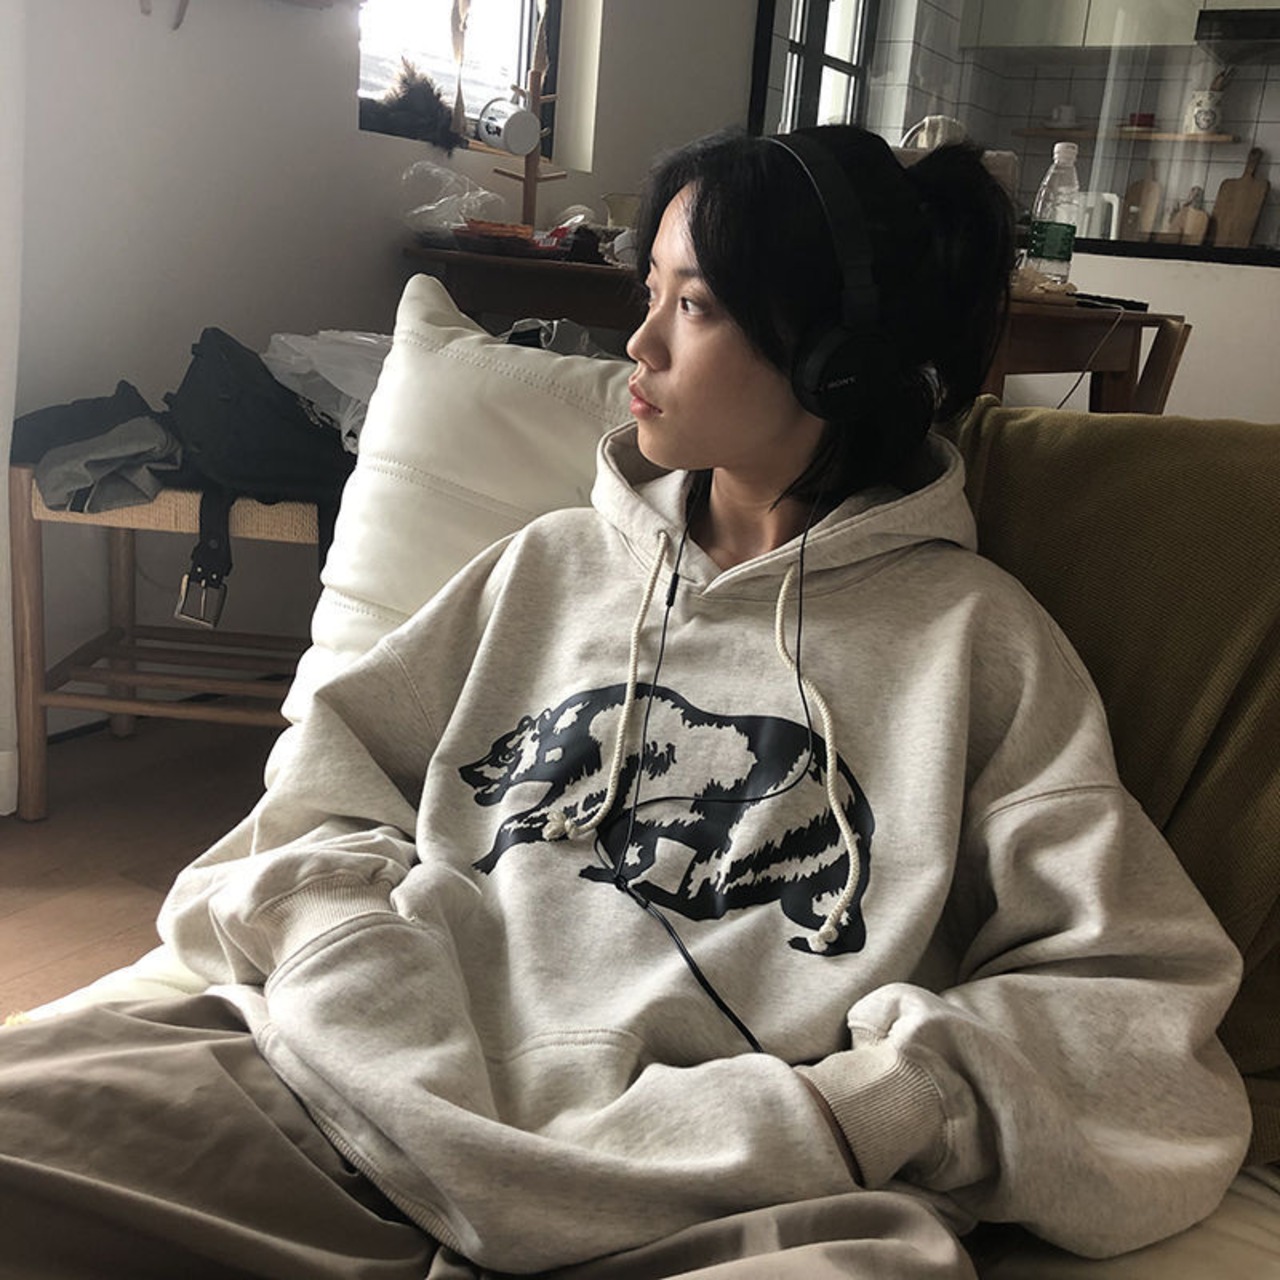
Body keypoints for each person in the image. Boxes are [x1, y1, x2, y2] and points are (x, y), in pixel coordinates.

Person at [0, 126, 1251, 1279]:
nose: (635, 345)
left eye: (690, 304)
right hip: (348, 1103)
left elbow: (1129, 998)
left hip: (724, 1197)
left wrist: (881, 1100)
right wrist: (346, 960)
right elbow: (322, 795)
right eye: (647, 291)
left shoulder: (977, 643)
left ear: (838, 356)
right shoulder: (544, 567)